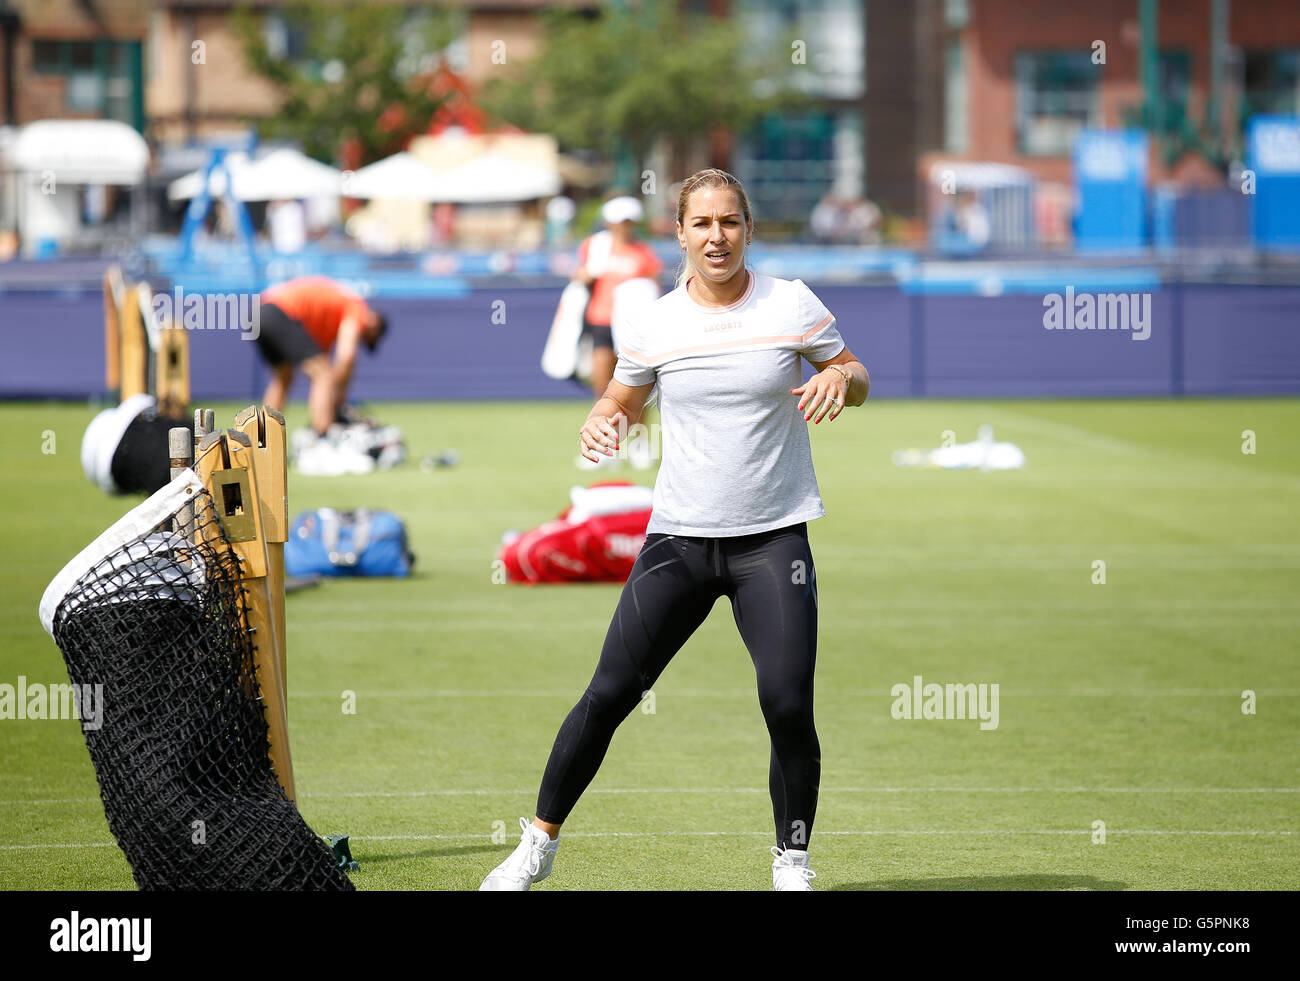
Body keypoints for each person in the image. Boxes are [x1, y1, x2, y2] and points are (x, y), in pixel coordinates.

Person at [480, 168, 870, 891]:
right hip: (679, 540)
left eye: (730, 222)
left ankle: (793, 862)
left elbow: (854, 370)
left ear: (747, 229)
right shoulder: (655, 321)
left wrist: (839, 380)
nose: (716, 236)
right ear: (679, 232)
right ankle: (535, 845)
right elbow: (622, 396)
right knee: (608, 693)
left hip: (772, 540)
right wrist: (605, 417)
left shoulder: (790, 302)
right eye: (702, 224)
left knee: (787, 700)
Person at [253, 276, 388, 435]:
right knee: (323, 375)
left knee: (283, 379)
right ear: (373, 323)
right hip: (280, 311)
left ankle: (262, 441)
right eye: (366, 337)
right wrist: (338, 399)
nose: (361, 340)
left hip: (259, 312)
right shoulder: (357, 308)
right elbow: (346, 357)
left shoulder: (330, 321)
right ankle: (324, 438)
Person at [572, 194, 663, 401]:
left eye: (629, 222)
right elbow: (580, 274)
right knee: (603, 389)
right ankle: (605, 431)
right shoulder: (595, 246)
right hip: (601, 322)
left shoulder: (643, 252)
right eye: (621, 222)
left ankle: (639, 434)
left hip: (632, 327)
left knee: (637, 390)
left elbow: (653, 288)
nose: (625, 227)